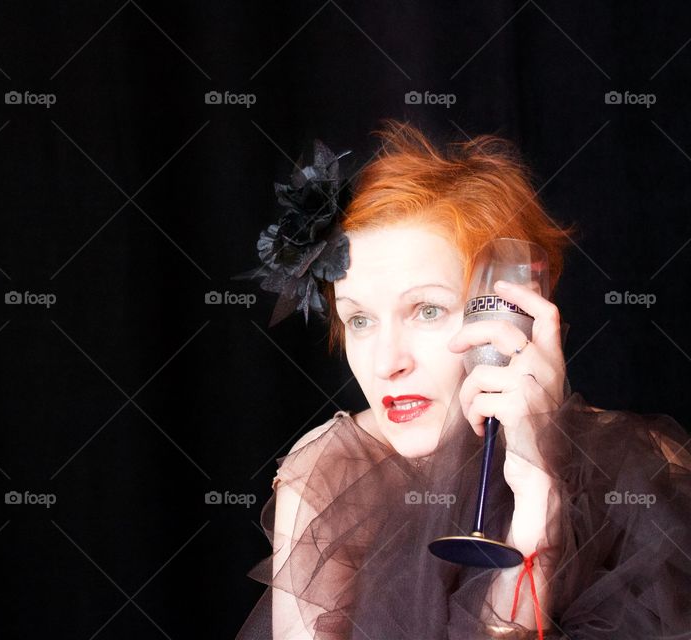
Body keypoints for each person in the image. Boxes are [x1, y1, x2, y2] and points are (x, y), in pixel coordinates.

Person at [233, 121, 691, 639]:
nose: (387, 363)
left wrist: (539, 499)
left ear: (513, 308)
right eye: (359, 320)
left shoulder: (643, 467)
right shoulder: (331, 474)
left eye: (427, 310)